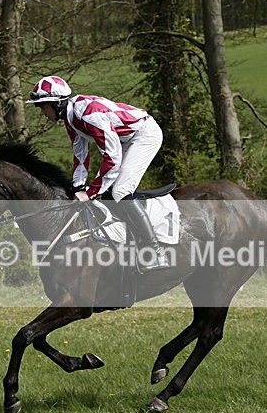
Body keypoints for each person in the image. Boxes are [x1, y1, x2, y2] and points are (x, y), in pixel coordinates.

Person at [26, 75, 169, 270]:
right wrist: (78, 187)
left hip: (144, 135)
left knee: (119, 191)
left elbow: (112, 158)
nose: (42, 112)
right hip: (127, 140)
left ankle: (154, 251)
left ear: (57, 103)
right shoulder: (71, 118)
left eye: (43, 106)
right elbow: (81, 157)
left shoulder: (88, 115)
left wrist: (90, 193)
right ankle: (126, 248)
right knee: (109, 193)